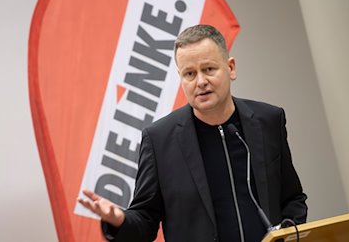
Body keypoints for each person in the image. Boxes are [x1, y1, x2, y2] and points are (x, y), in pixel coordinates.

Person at [78, 24, 308, 242]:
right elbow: (145, 220)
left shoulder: (268, 120)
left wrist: (287, 233)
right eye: (189, 74)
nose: (201, 82)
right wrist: (119, 220)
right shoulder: (159, 141)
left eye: (208, 69)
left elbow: (292, 199)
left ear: (230, 68)